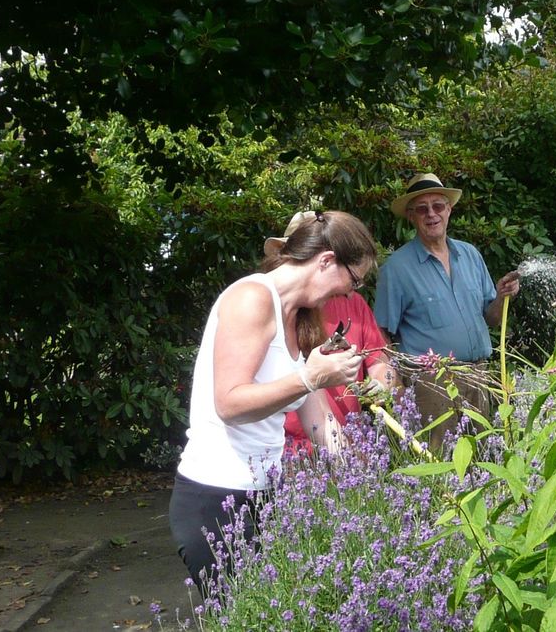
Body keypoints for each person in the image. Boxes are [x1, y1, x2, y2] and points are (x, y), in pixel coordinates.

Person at [169, 210, 376, 594]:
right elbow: (229, 404)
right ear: (327, 260)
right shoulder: (251, 297)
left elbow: (320, 424)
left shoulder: (298, 317)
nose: (350, 294)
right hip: (215, 498)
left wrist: (366, 479)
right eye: (354, 280)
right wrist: (308, 377)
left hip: (265, 495)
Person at [374, 173, 520, 451]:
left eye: (438, 206)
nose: (431, 214)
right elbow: (381, 332)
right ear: (411, 216)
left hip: (479, 375)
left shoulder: (470, 255)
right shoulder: (397, 268)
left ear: (449, 210)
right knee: (440, 463)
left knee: (484, 457)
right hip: (432, 383)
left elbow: (492, 319)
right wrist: (397, 385)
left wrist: (502, 297)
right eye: (422, 208)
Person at [263, 212, 399, 457]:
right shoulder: (269, 304)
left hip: (342, 438)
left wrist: (380, 385)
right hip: (287, 447)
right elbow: (230, 402)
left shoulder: (354, 304)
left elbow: (381, 362)